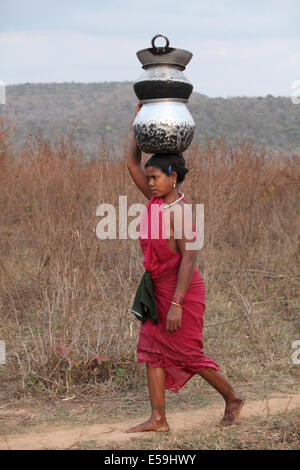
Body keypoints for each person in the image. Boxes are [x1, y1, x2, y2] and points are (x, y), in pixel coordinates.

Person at [126, 103, 245, 432]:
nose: (149, 183)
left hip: (183, 291)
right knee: (151, 350)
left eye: (155, 177)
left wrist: (177, 303)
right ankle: (158, 419)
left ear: (172, 177)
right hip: (157, 288)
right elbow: (132, 162)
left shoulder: (180, 213)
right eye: (148, 178)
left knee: (188, 354)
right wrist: (139, 122)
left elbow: (189, 260)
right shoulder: (155, 201)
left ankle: (232, 398)